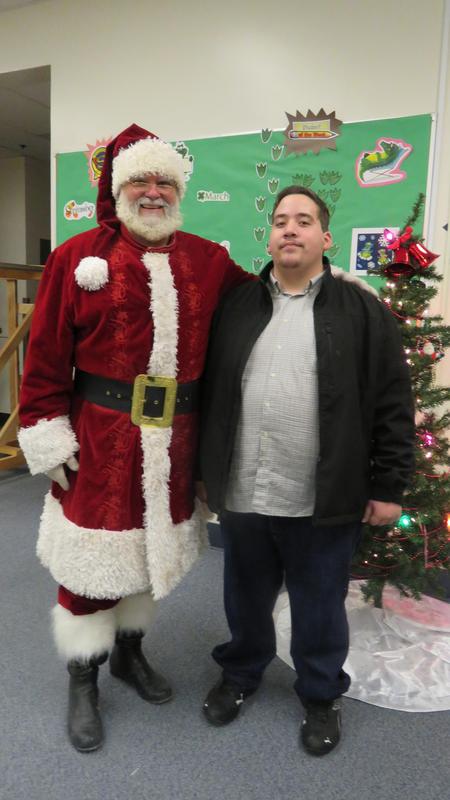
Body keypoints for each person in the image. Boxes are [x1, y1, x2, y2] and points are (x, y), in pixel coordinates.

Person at [18, 123, 250, 752]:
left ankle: (128, 653)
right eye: (140, 181)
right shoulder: (76, 256)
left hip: (175, 442)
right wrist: (47, 434)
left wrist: (331, 296)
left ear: (179, 189)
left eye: (164, 180)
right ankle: (83, 678)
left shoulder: (208, 259)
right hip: (98, 435)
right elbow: (43, 360)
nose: (153, 191)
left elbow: (259, 309)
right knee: (88, 560)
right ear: (119, 189)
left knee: (149, 553)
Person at [198, 185, 415, 756]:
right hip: (245, 490)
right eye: (280, 220)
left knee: (320, 605)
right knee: (244, 598)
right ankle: (241, 673)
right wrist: (202, 474)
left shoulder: (361, 308)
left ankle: (320, 694)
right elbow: (213, 394)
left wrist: (389, 484)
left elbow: (393, 399)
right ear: (269, 236)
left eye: (303, 220)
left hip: (323, 495)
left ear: (326, 237)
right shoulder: (238, 305)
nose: (289, 229)